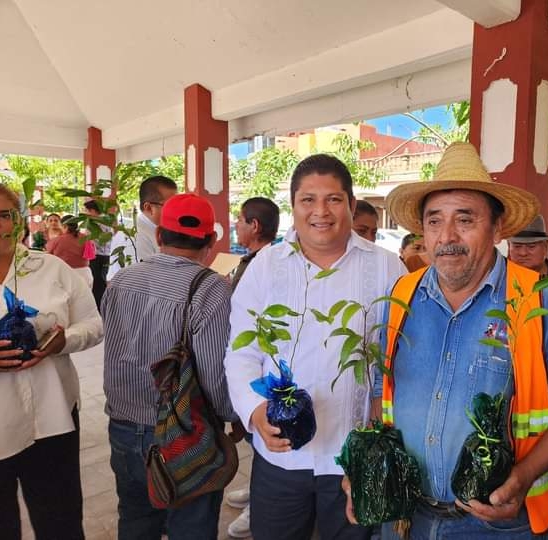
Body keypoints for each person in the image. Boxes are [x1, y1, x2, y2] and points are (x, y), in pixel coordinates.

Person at [347, 142, 548, 539]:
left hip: (500, 524)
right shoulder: (397, 298)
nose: (447, 237)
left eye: (465, 220)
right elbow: (380, 396)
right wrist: (364, 467)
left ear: (497, 227)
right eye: (434, 221)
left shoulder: (540, 301)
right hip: (405, 515)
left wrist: (523, 475)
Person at [224, 154, 405, 540]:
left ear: (352, 205)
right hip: (281, 455)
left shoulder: (388, 268)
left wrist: (382, 409)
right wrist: (256, 413)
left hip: (353, 454)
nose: (320, 211)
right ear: (293, 207)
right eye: (308, 200)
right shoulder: (265, 265)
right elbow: (242, 353)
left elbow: (400, 353)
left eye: (334, 199)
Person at [102, 193, 239, 540]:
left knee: (134, 520)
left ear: (160, 236)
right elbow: (213, 377)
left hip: (122, 427)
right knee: (190, 526)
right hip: (183, 435)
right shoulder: (211, 289)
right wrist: (231, 417)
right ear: (210, 241)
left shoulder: (120, 281)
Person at [0, 184, 104, 540]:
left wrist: (65, 340)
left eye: (5, 215)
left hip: (52, 417)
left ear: (20, 220)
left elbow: (93, 324)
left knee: (59, 520)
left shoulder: (51, 268)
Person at [225, 196, 280, 539]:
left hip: (267, 377)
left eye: (240, 221)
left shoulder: (272, 264)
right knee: (256, 440)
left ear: (254, 226)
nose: (236, 227)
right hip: (247, 372)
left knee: (270, 436)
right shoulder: (251, 261)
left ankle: (258, 503)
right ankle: (255, 490)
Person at [107, 175, 177, 279]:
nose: (176, 210)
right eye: (171, 206)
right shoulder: (135, 235)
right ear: (148, 207)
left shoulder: (156, 229)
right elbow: (141, 279)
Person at [46, 214, 93, 287]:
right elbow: (90, 256)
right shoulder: (87, 238)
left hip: (64, 275)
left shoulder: (56, 241)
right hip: (84, 275)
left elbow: (48, 256)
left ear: (64, 226)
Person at [83, 200, 112, 308]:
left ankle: (98, 306)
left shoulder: (95, 223)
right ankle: (102, 305)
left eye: (86, 210)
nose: (85, 213)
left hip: (97, 256)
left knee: (97, 282)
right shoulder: (105, 221)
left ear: (92, 210)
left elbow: (94, 240)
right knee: (101, 280)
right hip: (105, 256)